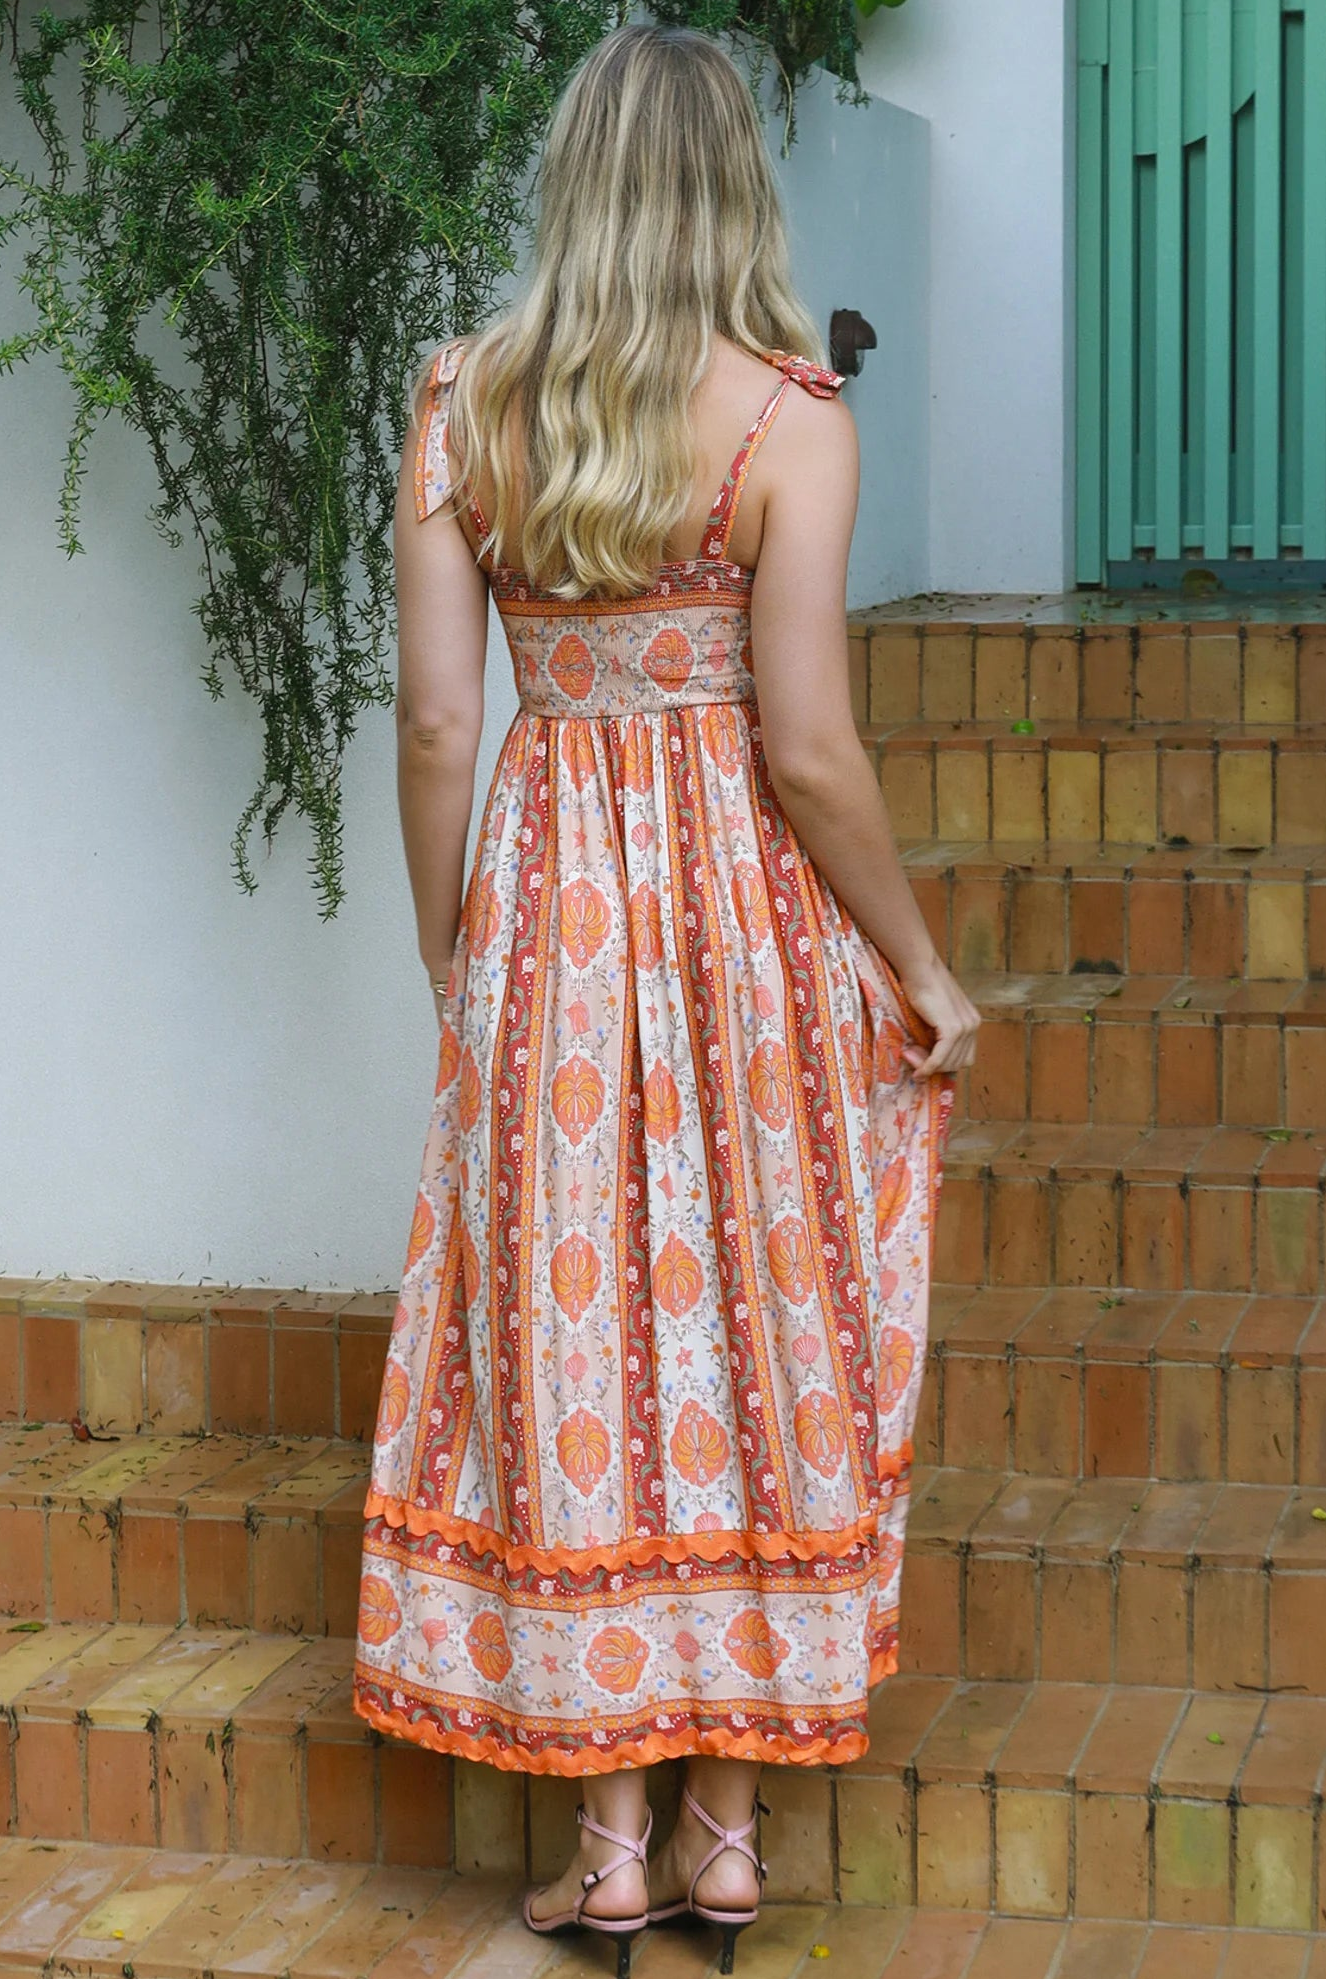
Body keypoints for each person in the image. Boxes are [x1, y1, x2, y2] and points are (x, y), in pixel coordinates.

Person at [351, 21, 979, 1977]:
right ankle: (728, 1833)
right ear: (735, 188)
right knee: (743, 1308)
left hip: (553, 909)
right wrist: (922, 963)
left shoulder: (466, 400)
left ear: (573, 181)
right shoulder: (792, 417)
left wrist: (460, 944)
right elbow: (808, 743)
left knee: (581, 1322)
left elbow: (446, 716)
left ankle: (603, 1848)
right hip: (742, 919)